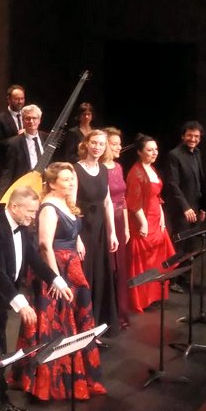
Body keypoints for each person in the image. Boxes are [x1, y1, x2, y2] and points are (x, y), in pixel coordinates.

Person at [0, 185, 70, 411]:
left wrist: (56, 280)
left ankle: (2, 400)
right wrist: (21, 303)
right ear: (14, 207)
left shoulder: (22, 228)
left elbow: (34, 258)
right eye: (31, 211)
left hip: (1, 301)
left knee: (1, 352)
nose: (33, 216)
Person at [10, 162, 106, 401]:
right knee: (55, 323)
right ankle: (49, 381)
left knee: (74, 319)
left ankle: (75, 375)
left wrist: (78, 241)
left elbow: (72, 228)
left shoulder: (66, 202)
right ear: (52, 183)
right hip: (56, 269)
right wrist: (55, 278)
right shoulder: (48, 208)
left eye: (72, 178)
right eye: (65, 179)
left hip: (71, 266)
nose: (71, 182)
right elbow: (44, 245)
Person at [74, 129, 120, 340]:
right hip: (83, 228)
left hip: (100, 229)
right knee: (86, 275)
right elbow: (71, 205)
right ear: (86, 144)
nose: (98, 147)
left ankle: (98, 326)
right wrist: (76, 237)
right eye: (94, 143)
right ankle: (82, 329)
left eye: (102, 144)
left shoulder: (103, 169)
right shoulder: (75, 169)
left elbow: (107, 201)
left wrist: (112, 233)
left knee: (101, 275)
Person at [125, 135, 178, 313]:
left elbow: (156, 196)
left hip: (156, 216)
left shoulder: (151, 168)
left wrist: (161, 215)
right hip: (144, 218)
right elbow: (134, 202)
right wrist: (143, 223)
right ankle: (142, 299)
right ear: (139, 152)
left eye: (155, 149)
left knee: (156, 257)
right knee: (144, 258)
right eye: (149, 150)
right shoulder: (136, 173)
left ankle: (154, 296)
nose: (154, 153)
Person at [162, 121, 206, 292]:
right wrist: (185, 207)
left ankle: (184, 276)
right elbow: (173, 184)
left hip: (194, 205)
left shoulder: (197, 153)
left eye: (196, 136)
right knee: (178, 244)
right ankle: (172, 279)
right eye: (190, 135)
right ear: (183, 136)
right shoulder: (174, 155)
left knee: (191, 244)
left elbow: (199, 182)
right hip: (181, 208)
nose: (193, 139)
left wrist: (201, 207)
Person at [103, 127, 133, 328]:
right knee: (109, 268)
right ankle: (109, 314)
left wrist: (128, 228)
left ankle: (120, 312)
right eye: (114, 144)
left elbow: (122, 199)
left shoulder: (119, 167)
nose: (119, 147)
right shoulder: (99, 169)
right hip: (105, 223)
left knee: (120, 269)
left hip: (120, 223)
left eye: (119, 144)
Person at [0, 84, 27, 197]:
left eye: (22, 99)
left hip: (24, 165)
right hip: (7, 166)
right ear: (9, 99)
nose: (20, 102)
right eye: (16, 99)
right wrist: (17, 138)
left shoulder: (28, 116)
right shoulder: (0, 119)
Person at [4, 104, 46, 187]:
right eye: (27, 118)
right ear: (23, 121)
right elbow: (8, 172)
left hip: (46, 185)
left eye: (34, 118)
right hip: (26, 186)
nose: (31, 121)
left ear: (39, 120)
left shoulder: (47, 138)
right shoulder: (14, 143)